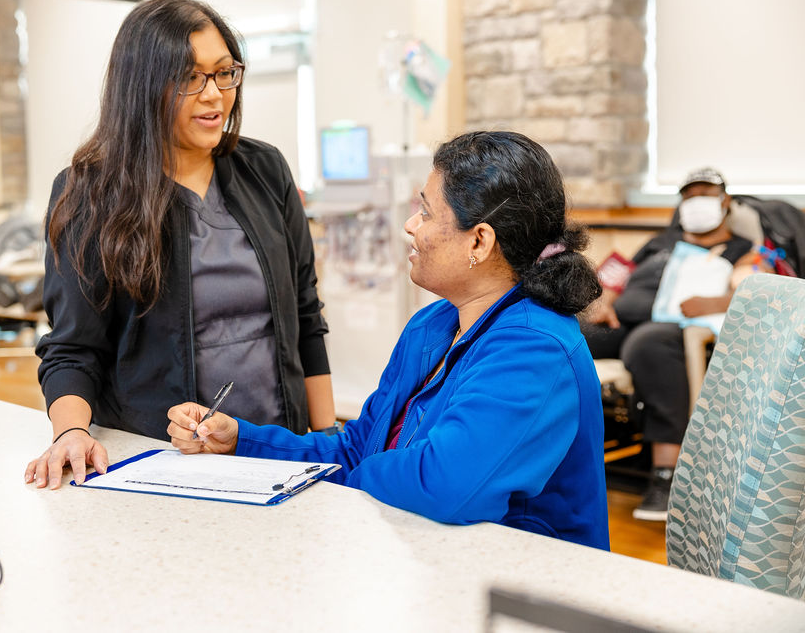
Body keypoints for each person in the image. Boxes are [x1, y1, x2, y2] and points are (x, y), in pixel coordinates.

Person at [168, 131, 610, 549]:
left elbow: (446, 487)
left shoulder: (534, 349)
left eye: (427, 212)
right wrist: (241, 441)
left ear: (480, 240)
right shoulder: (433, 326)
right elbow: (358, 446)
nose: (410, 224)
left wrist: (344, 478)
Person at [25, 0, 335, 490]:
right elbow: (72, 349)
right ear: (143, 87)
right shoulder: (90, 192)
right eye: (190, 78)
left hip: (278, 450)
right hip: (162, 462)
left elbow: (305, 316)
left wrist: (325, 438)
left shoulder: (265, 169)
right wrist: (71, 433)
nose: (213, 95)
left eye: (223, 73)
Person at [582, 167, 769, 522]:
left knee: (646, 344)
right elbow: (613, 276)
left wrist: (713, 303)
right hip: (621, 321)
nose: (696, 203)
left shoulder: (741, 250)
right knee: (568, 337)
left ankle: (666, 478)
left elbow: (754, 290)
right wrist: (603, 301)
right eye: (689, 196)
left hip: (675, 330)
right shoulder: (659, 242)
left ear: (725, 202)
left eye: (705, 195)